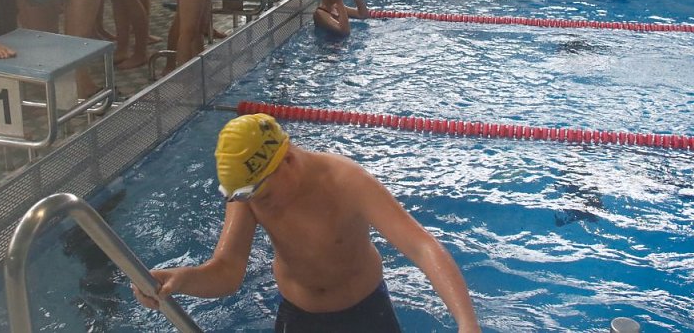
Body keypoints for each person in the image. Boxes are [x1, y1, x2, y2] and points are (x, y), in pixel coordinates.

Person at [133, 113, 481, 332]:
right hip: (300, 317)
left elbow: (421, 246)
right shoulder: (249, 196)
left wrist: (467, 323)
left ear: (287, 160)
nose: (256, 205)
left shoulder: (346, 181)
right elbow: (227, 272)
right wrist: (180, 279)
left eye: (263, 196)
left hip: (367, 312)